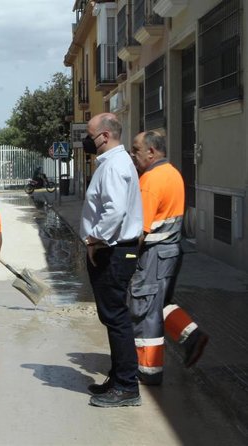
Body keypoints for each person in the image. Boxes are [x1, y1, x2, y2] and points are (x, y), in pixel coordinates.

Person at [127, 131, 209, 386]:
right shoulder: (173, 173)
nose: (133, 155)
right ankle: (191, 335)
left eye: (136, 150)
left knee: (144, 309)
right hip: (172, 250)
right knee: (160, 303)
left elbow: (140, 231)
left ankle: (149, 370)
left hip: (155, 253)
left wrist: (127, 257)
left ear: (151, 152)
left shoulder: (150, 180)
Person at [80, 113, 143, 408]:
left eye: (90, 134)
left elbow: (114, 211)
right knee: (112, 317)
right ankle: (118, 379)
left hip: (113, 251)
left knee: (116, 318)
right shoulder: (112, 163)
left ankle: (127, 387)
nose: (87, 140)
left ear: (104, 136)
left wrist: (95, 240)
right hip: (114, 249)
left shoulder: (115, 165)